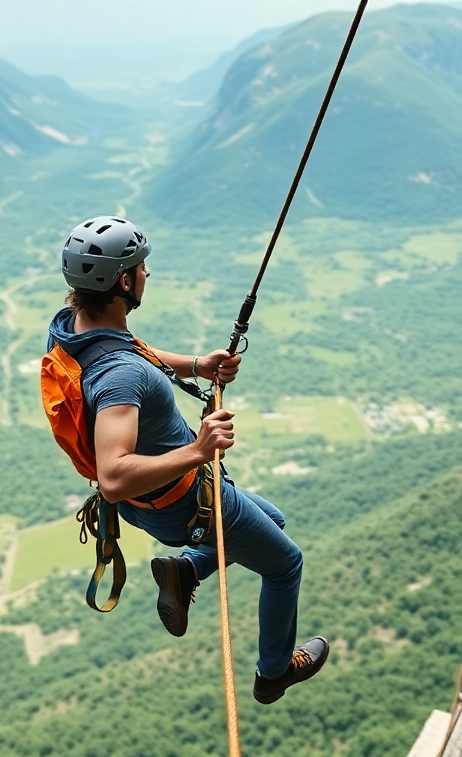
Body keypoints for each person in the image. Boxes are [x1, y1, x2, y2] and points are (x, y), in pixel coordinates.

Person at [44, 215, 328, 704]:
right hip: (187, 502)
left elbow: (135, 351)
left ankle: (188, 570)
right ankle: (274, 673)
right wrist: (198, 450)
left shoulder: (75, 330)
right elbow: (113, 477)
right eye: (140, 266)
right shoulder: (117, 379)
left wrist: (196, 365)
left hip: (156, 502)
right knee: (286, 563)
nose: (147, 273)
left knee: (274, 521)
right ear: (122, 281)